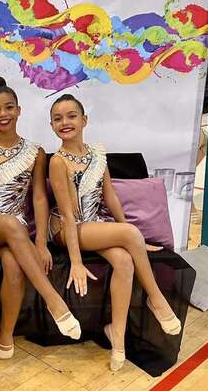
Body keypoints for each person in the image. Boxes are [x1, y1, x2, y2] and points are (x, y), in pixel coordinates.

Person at [48, 93, 181, 371]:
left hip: (93, 223)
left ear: (84, 120)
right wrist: (75, 261)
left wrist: (130, 236)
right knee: (131, 235)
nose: (65, 122)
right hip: (66, 228)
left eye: (72, 116)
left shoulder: (97, 155)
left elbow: (110, 197)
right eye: (58, 119)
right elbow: (68, 215)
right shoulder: (58, 162)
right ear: (52, 126)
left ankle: (116, 336)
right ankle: (156, 299)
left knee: (124, 259)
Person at [0, 77, 81, 362]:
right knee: (9, 225)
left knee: (14, 266)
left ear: (19, 110)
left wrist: (40, 242)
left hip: (18, 230)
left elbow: (40, 198)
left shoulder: (35, 152)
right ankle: (54, 301)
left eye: (8, 108)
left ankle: (4, 337)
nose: (3, 114)